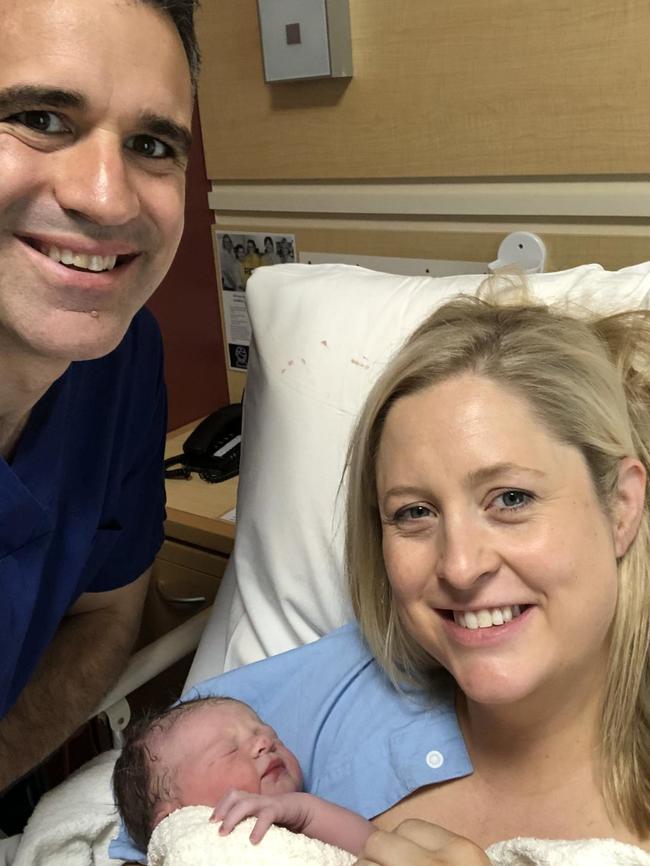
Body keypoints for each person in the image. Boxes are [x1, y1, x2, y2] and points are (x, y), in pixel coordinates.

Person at [182, 279, 650, 866]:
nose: (459, 565)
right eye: (415, 512)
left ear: (622, 506)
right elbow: (155, 802)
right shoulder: (335, 691)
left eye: (510, 499)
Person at [0, 0, 198, 812]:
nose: (110, 200)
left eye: (151, 145)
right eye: (40, 118)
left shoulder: (118, 359)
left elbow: (108, 614)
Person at [112, 696, 374, 856]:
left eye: (272, 736)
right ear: (174, 818)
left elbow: (377, 846)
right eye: (230, 750)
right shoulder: (189, 849)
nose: (264, 742)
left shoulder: (310, 825)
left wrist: (306, 812)